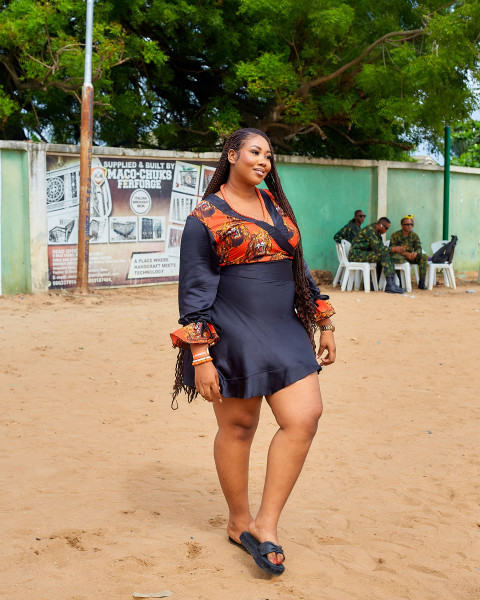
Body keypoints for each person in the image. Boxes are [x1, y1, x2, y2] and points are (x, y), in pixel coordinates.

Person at [170, 128, 336, 577]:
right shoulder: (204, 217)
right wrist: (201, 357)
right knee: (240, 428)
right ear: (232, 155)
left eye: (269, 155)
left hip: (284, 329)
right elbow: (195, 294)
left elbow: (299, 268)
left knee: (304, 417)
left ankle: (267, 523)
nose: (264, 160)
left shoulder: (277, 207)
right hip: (234, 333)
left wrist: (324, 321)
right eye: (255, 152)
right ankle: (238, 522)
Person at [349, 217, 405, 293]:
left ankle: (391, 283)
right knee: (384, 255)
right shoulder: (370, 230)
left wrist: (397, 249)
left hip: (364, 253)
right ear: (381, 225)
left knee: (386, 254)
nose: (386, 231)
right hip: (356, 254)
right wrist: (394, 249)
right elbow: (378, 248)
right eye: (386, 228)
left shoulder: (377, 233)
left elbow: (382, 248)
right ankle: (390, 285)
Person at [389, 216, 428, 289]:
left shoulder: (414, 235)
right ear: (402, 225)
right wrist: (406, 254)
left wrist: (415, 253)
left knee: (424, 257)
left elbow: (418, 247)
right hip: (400, 256)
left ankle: (422, 282)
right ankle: (402, 282)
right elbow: (393, 249)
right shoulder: (395, 235)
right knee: (397, 259)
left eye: (411, 224)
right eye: (407, 224)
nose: (410, 226)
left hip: (411, 256)